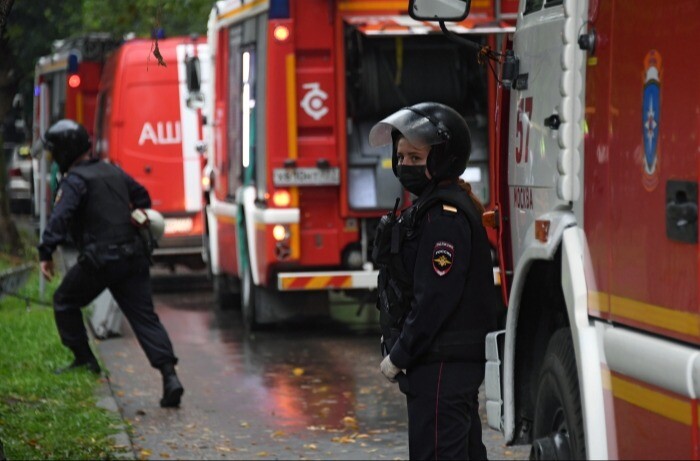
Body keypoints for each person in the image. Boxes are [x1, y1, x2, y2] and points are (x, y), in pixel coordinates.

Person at [369, 102, 498, 459]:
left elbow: (435, 299)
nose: (405, 165)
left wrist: (401, 353)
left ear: (443, 158)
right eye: (401, 157)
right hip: (441, 364)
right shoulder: (434, 208)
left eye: (415, 157)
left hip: (442, 364)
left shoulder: (444, 216)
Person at [37, 119, 184, 408]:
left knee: (64, 301)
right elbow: (142, 197)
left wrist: (46, 252)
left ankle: (85, 360)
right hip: (132, 257)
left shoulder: (74, 181)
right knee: (144, 318)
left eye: (54, 153)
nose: (52, 159)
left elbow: (60, 218)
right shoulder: (112, 170)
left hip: (100, 260)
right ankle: (170, 377)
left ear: (66, 152)